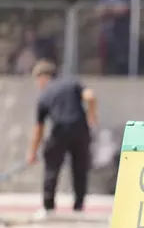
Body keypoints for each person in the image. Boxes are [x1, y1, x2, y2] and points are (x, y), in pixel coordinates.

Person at [26, 59, 97, 219]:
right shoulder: (72, 83)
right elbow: (90, 96)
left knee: (51, 167)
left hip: (59, 131)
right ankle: (79, 206)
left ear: (44, 76)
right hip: (81, 129)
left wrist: (32, 152)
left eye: (38, 79)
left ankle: (48, 207)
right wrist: (92, 116)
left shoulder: (44, 94)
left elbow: (39, 128)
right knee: (80, 168)